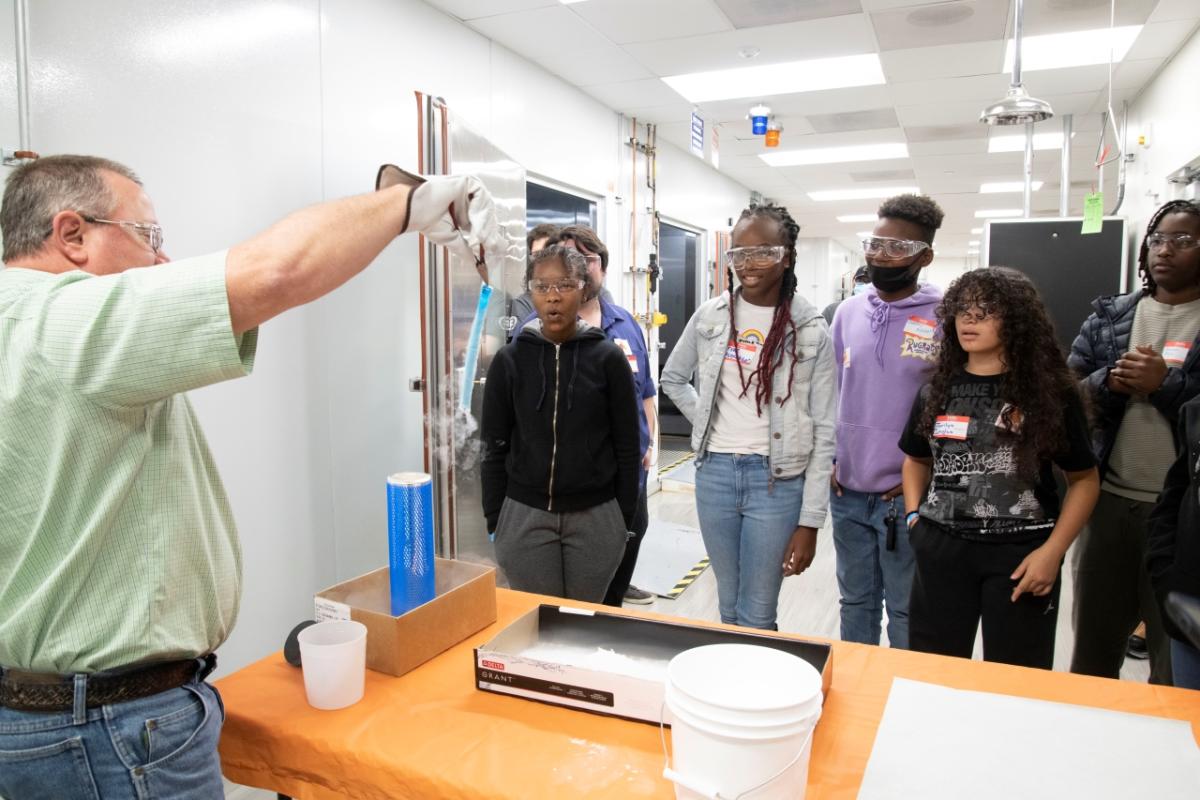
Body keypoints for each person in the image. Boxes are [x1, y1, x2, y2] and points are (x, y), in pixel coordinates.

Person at [0, 154, 500, 799]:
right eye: (147, 236)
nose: (160, 261)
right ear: (71, 235)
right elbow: (278, 269)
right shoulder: (63, 321)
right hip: (110, 729)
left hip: (59, 716)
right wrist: (409, 203)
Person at [899, 267, 1100, 669]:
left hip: (1021, 554)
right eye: (962, 310)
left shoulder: (1050, 394)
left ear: (1017, 321)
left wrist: (1053, 553)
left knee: (1017, 677)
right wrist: (914, 519)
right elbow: (915, 460)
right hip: (942, 546)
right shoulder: (937, 390)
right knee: (932, 671)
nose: (969, 320)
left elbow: (1084, 481)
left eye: (985, 310)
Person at [661, 203, 836, 630]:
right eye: (739, 253)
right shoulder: (711, 316)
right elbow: (673, 377)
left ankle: (760, 692)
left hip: (776, 483)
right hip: (715, 475)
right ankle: (730, 691)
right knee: (727, 605)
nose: (749, 263)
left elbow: (826, 429)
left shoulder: (810, 327)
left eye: (763, 252)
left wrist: (811, 521)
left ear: (787, 256)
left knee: (757, 610)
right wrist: (706, 418)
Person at [1069, 199, 1200, 685]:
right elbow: (1068, 394)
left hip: (1182, 517)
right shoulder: (1111, 317)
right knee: (1092, 650)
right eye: (1158, 239)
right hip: (1107, 503)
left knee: (1173, 660)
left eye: (1183, 241)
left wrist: (1165, 384)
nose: (1165, 250)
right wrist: (1111, 382)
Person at [480, 245, 641, 601]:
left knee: (584, 622)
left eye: (565, 285)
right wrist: (497, 517)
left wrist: (621, 519)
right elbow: (493, 446)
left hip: (596, 517)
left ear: (584, 288)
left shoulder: (607, 359)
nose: (553, 298)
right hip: (524, 515)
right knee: (539, 621)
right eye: (542, 287)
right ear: (531, 292)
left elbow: (628, 447)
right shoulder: (510, 361)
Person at [829, 194, 945, 648]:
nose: (881, 255)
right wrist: (835, 459)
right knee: (855, 603)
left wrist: (926, 468)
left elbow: (952, 402)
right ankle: (857, 695)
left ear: (924, 256)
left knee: (905, 606)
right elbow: (836, 391)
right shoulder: (847, 313)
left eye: (897, 248)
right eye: (875, 244)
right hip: (848, 491)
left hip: (907, 495)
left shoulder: (945, 317)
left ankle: (904, 698)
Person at [555, 224, 659, 606]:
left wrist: (649, 442)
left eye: (589, 259)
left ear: (603, 268)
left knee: (617, 579)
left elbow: (646, 390)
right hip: (574, 488)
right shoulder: (541, 330)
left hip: (630, 478)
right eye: (568, 259)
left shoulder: (625, 323)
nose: (580, 268)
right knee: (579, 594)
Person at [1147, 393, 1200, 689]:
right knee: (1190, 727)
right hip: (1190, 619)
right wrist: (1167, 575)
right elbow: (1174, 495)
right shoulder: (1194, 410)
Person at [507, 222, 559, 341]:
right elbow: (522, 347)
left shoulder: (583, 295)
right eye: (537, 255)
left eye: (548, 252)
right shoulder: (524, 303)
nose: (542, 260)